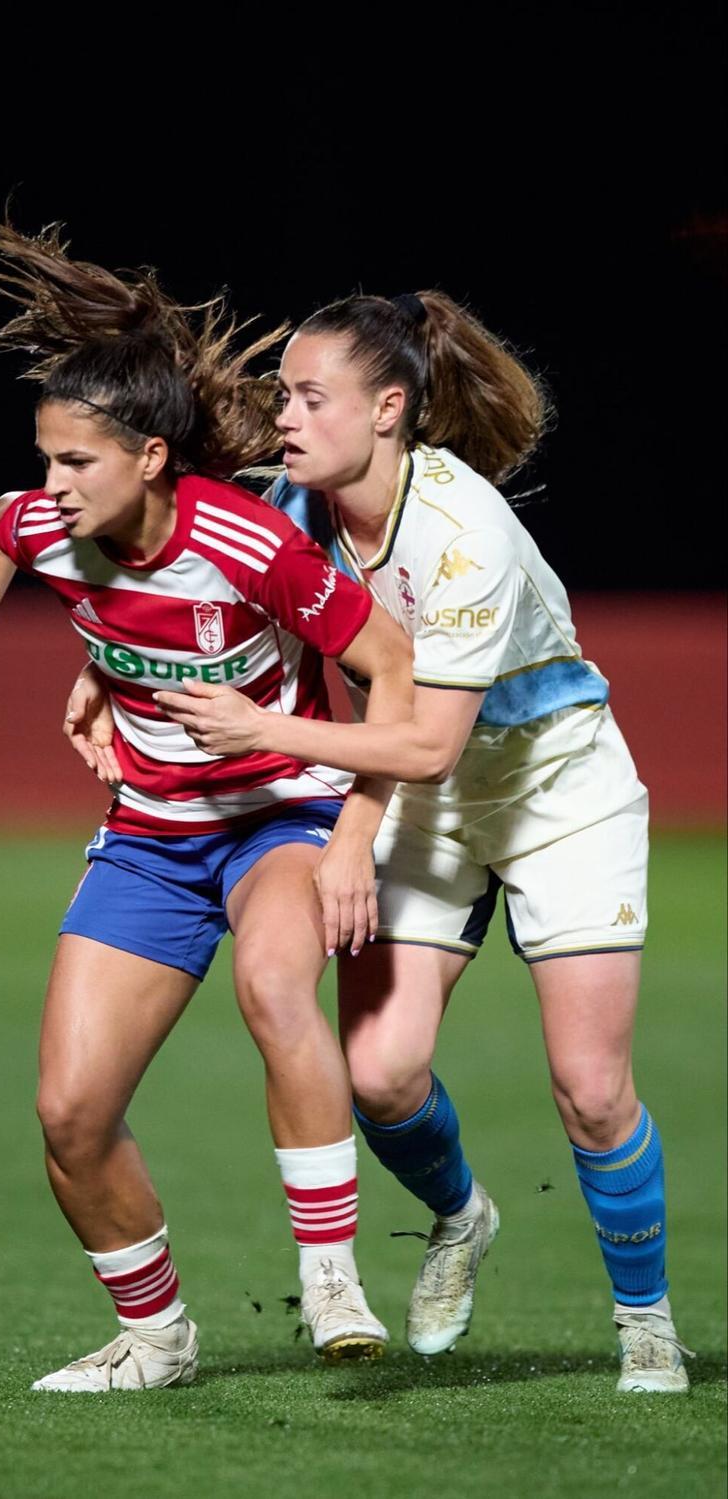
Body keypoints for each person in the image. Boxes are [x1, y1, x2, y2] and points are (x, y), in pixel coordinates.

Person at [0, 226, 415, 1391]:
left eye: (75, 463)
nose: (49, 486)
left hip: (281, 812)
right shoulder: (45, 529)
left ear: (153, 457)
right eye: (46, 458)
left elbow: (391, 659)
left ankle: (330, 1275)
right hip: (154, 833)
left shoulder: (246, 540)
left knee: (274, 982)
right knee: (70, 1110)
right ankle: (158, 1336)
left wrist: (357, 825)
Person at [138, 289, 692, 1394]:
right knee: (382, 1075)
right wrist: (95, 681)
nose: (283, 416)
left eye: (310, 396)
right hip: (419, 797)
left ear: (390, 407)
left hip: (553, 787)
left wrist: (280, 754)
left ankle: (646, 1321)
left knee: (589, 1086)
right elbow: (187, 586)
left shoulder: (459, 531)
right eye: (284, 393)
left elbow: (428, 742)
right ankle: (460, 1214)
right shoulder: (293, 506)